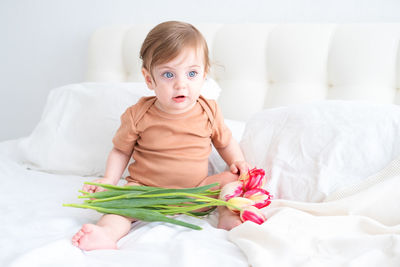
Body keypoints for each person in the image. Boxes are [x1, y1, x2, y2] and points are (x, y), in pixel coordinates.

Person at [72, 21, 251, 251]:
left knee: (230, 181)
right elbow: (120, 150)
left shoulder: (209, 110)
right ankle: (106, 233)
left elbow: (225, 142)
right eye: (168, 74)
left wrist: (236, 162)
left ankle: (226, 216)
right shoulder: (139, 114)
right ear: (149, 79)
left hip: (196, 192)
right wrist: (110, 180)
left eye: (192, 73)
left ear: (204, 76)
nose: (180, 84)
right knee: (119, 205)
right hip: (146, 190)